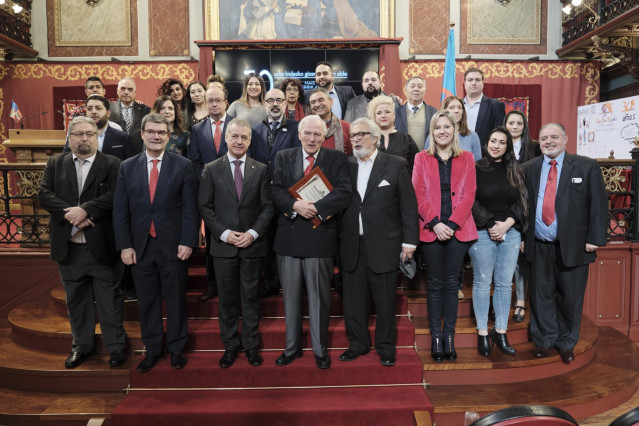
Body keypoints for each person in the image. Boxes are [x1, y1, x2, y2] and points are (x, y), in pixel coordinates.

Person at [113, 113, 199, 373]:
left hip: (173, 245)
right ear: (142, 134)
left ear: (168, 135)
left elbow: (189, 209)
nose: (156, 136)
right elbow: (120, 210)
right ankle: (152, 350)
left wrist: (188, 241)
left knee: (175, 299)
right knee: (147, 301)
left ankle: (175, 348)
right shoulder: (127, 166)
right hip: (140, 247)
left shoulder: (183, 165)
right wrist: (125, 245)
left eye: (161, 132)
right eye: (151, 131)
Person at [39, 116, 126, 369]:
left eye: (89, 133)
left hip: (102, 245)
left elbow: (116, 195)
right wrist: (73, 215)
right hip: (69, 247)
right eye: (78, 134)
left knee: (110, 301)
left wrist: (86, 210)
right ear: (70, 137)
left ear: (97, 137)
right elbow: (45, 194)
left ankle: (116, 347)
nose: (84, 138)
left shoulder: (113, 164)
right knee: (76, 301)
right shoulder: (56, 163)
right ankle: (81, 346)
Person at [521, 123, 607, 364]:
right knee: (541, 295)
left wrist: (594, 238)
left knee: (571, 297)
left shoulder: (586, 165)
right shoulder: (528, 168)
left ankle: (566, 341)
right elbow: (520, 206)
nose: (549, 141)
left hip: (576, 245)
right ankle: (544, 340)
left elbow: (598, 205)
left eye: (554, 137)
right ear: (538, 141)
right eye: (544, 138)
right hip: (538, 244)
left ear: (565, 139)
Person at [271, 114, 352, 369]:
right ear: (299, 134)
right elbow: (275, 190)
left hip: (321, 237)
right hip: (289, 237)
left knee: (319, 298)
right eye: (308, 133)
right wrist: (295, 205)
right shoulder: (283, 157)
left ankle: (319, 350)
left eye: (318, 134)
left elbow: (344, 191)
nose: (312, 138)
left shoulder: (337, 159)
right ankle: (291, 348)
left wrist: (316, 208)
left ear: (324, 135)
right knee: (291, 299)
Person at [339, 117, 418, 367]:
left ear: (375, 137)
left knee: (385, 302)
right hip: (352, 245)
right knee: (353, 301)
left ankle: (386, 347)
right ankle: (357, 344)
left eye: (362, 134)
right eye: (353, 136)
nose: (357, 139)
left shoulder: (395, 165)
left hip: (385, 245)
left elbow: (408, 206)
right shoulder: (346, 165)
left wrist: (410, 242)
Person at [199, 118, 274, 368]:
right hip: (223, 247)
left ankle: (251, 346)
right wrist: (224, 233)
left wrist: (252, 233)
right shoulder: (211, 168)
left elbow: (267, 208)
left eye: (244, 137)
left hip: (253, 246)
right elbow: (206, 207)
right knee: (228, 299)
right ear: (227, 139)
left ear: (250, 141)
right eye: (234, 137)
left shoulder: (261, 169)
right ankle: (230, 346)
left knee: (251, 298)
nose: (239, 141)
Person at [412, 110, 477, 363]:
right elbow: (418, 193)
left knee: (452, 285)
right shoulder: (421, 158)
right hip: (431, 230)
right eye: (437, 127)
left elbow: (469, 193)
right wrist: (436, 224)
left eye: (447, 127)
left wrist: (451, 223)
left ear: (454, 129)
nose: (442, 131)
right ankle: (436, 337)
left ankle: (449, 336)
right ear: (432, 131)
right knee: (435, 285)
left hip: (458, 230)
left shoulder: (468, 157)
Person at [469, 127, 527, 357]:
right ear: (487, 143)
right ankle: (483, 331)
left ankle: (500, 331)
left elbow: (522, 201)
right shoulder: (475, 168)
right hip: (483, 231)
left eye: (502, 142)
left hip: (510, 232)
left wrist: (507, 224)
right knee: (482, 283)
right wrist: (493, 224)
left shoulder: (516, 170)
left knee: (504, 284)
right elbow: (471, 201)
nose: (496, 145)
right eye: (493, 141)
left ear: (508, 146)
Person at [249, 88, 301, 298]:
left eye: (279, 100)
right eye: (270, 100)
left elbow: (299, 160)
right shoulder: (254, 130)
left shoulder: (297, 129)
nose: (275, 104)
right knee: (266, 240)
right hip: (261, 195)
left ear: (286, 103)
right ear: (264, 104)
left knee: (287, 239)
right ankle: (270, 282)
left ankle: (291, 283)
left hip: (287, 194)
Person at [189, 85, 231, 303]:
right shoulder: (197, 129)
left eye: (218, 100)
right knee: (212, 242)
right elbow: (195, 161)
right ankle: (212, 285)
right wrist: (208, 183)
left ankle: (233, 285)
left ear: (226, 102)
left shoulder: (237, 125)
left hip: (236, 191)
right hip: (208, 193)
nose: (214, 104)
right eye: (210, 100)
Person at [504, 109, 542, 322]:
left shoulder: (535, 147)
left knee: (521, 259)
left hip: (528, 205)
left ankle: (520, 302)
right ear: (506, 124)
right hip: (506, 206)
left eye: (519, 123)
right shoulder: (499, 144)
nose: (515, 126)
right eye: (511, 123)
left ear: (524, 126)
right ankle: (499, 301)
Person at [63, 95, 136, 161]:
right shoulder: (74, 136)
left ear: (108, 113)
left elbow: (130, 166)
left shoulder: (124, 138)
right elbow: (65, 160)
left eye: (98, 108)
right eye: (90, 109)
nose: (93, 112)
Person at [367, 94, 418, 172]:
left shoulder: (407, 140)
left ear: (394, 115)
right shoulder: (367, 140)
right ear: (374, 116)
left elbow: (416, 169)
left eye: (387, 112)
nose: (383, 116)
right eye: (379, 113)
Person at [425, 96, 482, 161]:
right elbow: (426, 161)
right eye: (452, 108)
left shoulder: (473, 136)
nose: (456, 111)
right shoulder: (433, 136)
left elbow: (478, 165)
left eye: (460, 108)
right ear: (444, 111)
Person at [463, 67, 506, 150]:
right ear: (465, 83)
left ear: (483, 83)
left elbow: (501, 135)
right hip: (458, 155)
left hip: (485, 157)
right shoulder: (457, 106)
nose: (474, 83)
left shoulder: (496, 106)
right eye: (470, 80)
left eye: (477, 80)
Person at [394, 76, 438, 151]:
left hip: (427, 157)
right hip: (402, 158)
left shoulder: (434, 113)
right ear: (406, 90)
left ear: (424, 90)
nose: (416, 89)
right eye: (412, 86)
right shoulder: (396, 113)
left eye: (420, 86)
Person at [109, 77, 151, 153]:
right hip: (114, 154)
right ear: (117, 91)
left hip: (138, 153)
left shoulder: (145, 110)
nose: (126, 92)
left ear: (135, 93)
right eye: (123, 89)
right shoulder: (108, 109)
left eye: (130, 89)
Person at [308, 88, 352, 156]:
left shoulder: (346, 127)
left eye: (321, 100)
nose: (317, 104)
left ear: (331, 102)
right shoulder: (306, 128)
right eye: (313, 102)